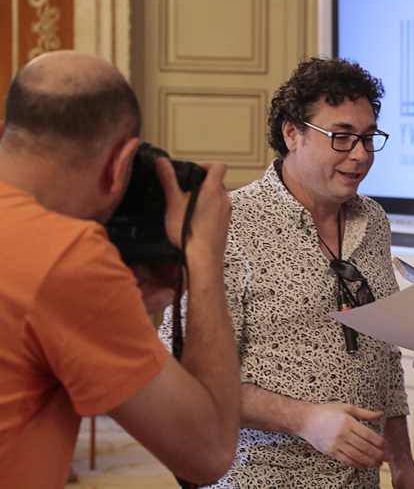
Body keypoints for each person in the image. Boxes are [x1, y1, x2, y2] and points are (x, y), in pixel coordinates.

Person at [160, 57, 414, 489]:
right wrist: (304, 419)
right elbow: (184, 370)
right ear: (292, 134)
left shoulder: (373, 220)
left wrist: (403, 467)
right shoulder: (229, 223)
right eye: (341, 137)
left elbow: (384, 357)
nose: (360, 155)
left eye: (368, 138)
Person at [0, 51, 241, 488]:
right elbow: (208, 452)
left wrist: (118, 303)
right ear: (121, 164)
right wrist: (203, 253)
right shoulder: (66, 256)